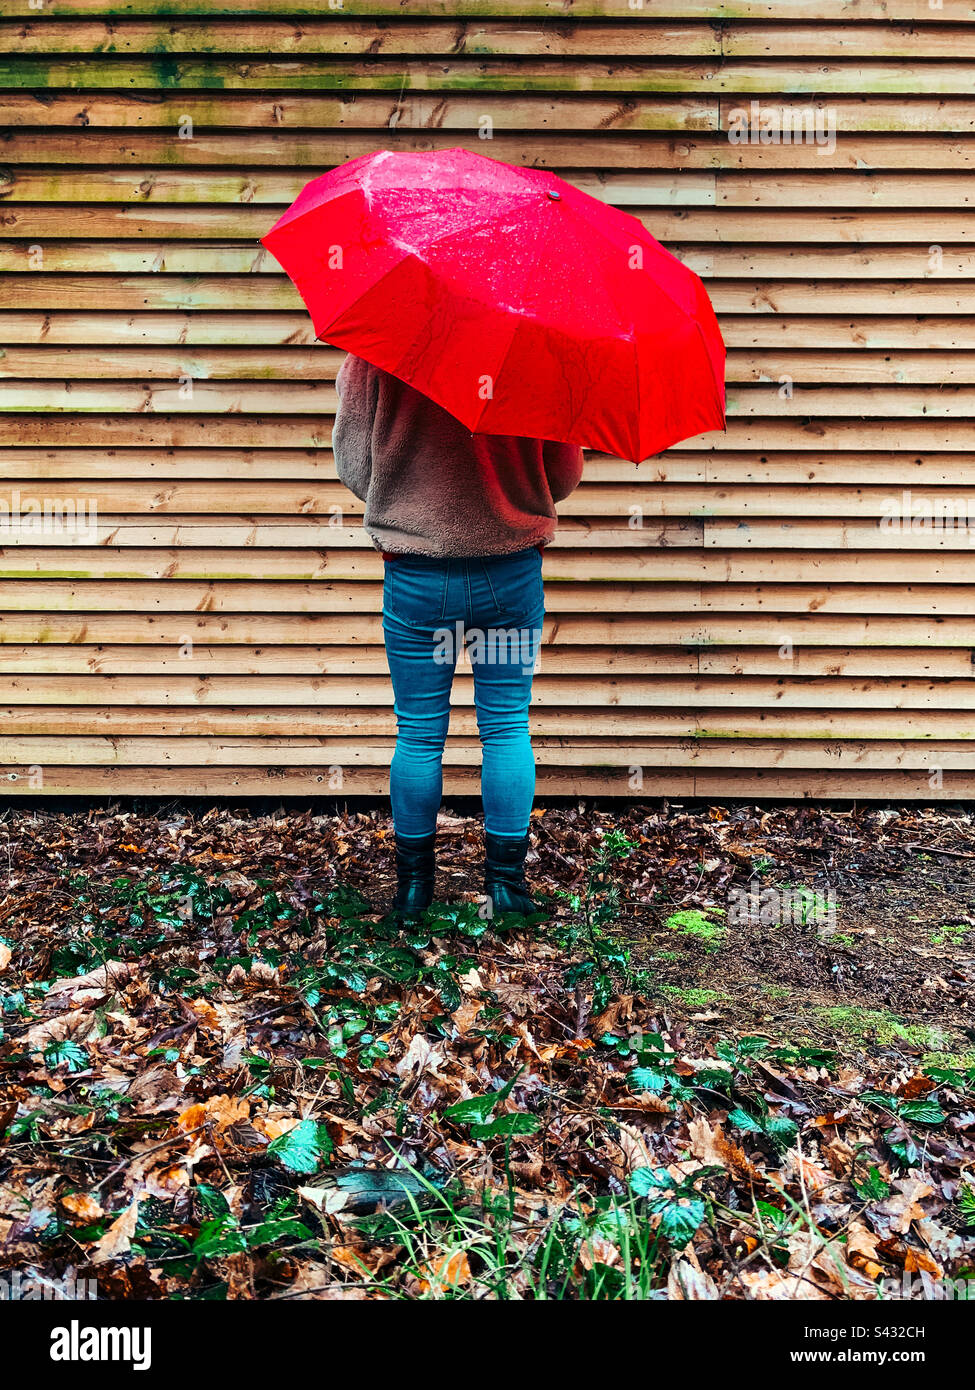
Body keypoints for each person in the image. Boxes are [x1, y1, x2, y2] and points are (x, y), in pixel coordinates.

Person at [332, 353, 584, 918]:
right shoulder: (542, 355)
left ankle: (414, 891)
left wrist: (410, 488)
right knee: (505, 726)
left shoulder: (376, 352)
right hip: (509, 573)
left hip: (417, 575)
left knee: (419, 733)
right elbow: (563, 479)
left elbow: (353, 467)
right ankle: (507, 889)